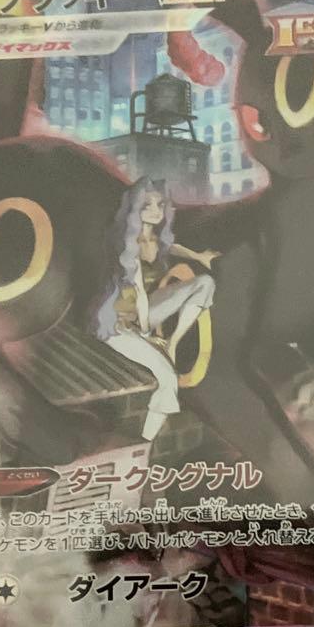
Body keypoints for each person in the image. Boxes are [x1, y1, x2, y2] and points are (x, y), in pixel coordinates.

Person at [97, 179, 217, 441]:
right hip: (116, 325)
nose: (155, 210)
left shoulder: (156, 238)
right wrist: (146, 335)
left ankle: (174, 340)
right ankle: (145, 443)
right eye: (147, 205)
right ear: (134, 207)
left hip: (144, 313)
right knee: (168, 377)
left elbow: (170, 247)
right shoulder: (126, 244)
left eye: (159, 205)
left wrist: (198, 257)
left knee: (205, 283)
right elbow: (138, 292)